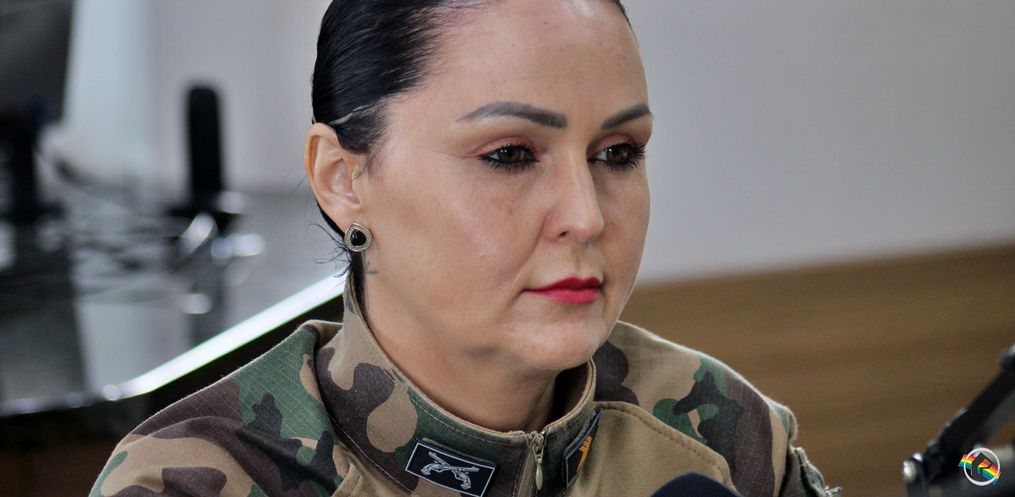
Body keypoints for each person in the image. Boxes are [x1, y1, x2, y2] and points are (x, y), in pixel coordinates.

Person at [91, 1, 840, 496]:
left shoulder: (718, 431)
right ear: (344, 179)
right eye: (509, 155)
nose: (584, 217)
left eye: (617, 153)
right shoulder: (193, 482)